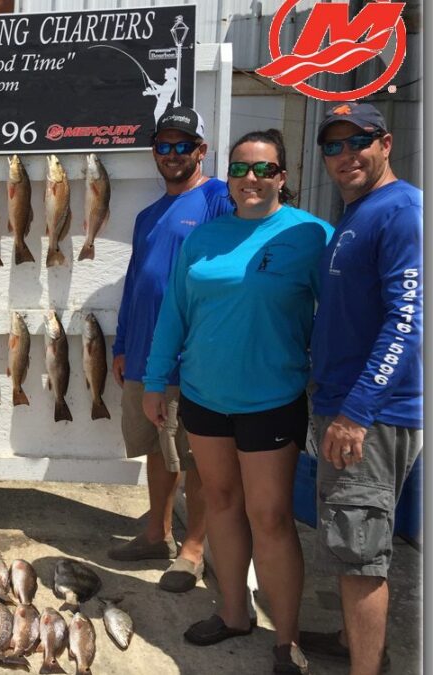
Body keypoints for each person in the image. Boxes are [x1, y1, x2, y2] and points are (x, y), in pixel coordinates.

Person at [142, 129, 333, 674]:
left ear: (283, 176)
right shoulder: (205, 237)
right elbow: (175, 313)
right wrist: (158, 381)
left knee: (269, 516)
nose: (252, 179)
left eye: (264, 169)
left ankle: (286, 638)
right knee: (221, 503)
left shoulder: (312, 235)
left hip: (272, 398)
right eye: (241, 168)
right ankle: (232, 613)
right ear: (228, 174)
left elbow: (342, 317)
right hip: (204, 396)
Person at [300, 102, 422, 675]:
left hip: (369, 416)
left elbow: (408, 320)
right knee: (350, 544)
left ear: (386, 143)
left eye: (359, 142)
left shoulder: (402, 211)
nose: (346, 155)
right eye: (333, 146)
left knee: (361, 551)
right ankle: (356, 644)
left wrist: (356, 412)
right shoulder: (358, 213)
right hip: (343, 405)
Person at [108, 107, 231, 594]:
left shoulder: (219, 198)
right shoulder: (147, 215)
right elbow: (137, 283)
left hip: (188, 355)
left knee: (197, 456)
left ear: (201, 150)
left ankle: (194, 549)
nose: (173, 154)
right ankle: (156, 533)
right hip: (143, 356)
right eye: (164, 146)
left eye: (184, 146)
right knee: (158, 452)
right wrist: (121, 344)